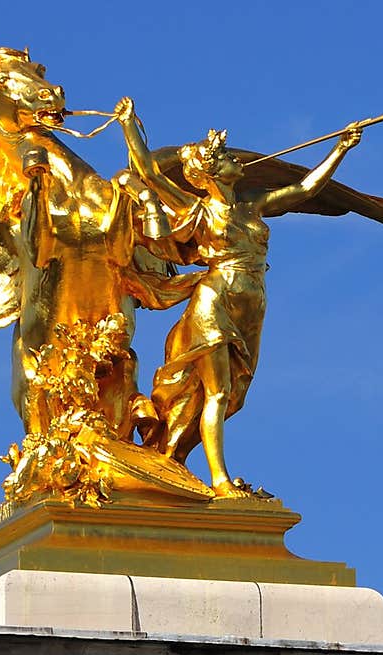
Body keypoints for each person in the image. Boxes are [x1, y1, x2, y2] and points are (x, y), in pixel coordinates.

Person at [115, 99, 364, 494]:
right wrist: (129, 125)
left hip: (252, 303)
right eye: (229, 158)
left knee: (234, 398)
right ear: (212, 171)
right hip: (215, 300)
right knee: (218, 391)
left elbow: (303, 189)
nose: (239, 163)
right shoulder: (197, 209)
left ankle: (177, 453)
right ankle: (220, 480)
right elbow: (147, 171)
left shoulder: (253, 207)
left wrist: (341, 149)